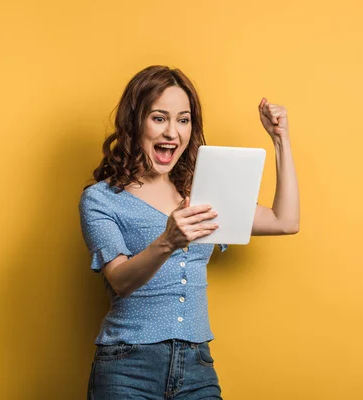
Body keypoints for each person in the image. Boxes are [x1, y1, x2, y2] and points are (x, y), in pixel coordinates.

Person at [79, 65, 299, 399]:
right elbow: (120, 280)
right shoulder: (101, 199)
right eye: (158, 118)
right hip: (127, 366)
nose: (172, 132)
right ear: (134, 121)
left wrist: (280, 140)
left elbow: (286, 221)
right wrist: (168, 241)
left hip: (196, 365)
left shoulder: (201, 192)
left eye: (183, 120)